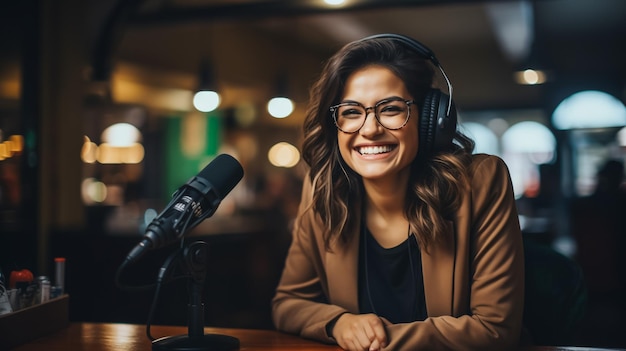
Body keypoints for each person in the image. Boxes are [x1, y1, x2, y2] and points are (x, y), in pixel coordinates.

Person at [271, 33, 525, 351]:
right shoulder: (324, 186)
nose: (369, 128)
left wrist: (374, 339)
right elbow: (289, 303)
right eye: (351, 112)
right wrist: (339, 323)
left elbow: (495, 329)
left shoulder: (482, 181)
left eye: (390, 109)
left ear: (429, 119)